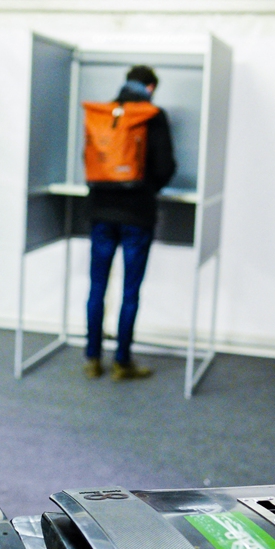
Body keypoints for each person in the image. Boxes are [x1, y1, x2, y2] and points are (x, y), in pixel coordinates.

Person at [84, 65, 176, 380]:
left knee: (97, 286)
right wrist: (147, 187)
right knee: (130, 290)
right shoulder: (152, 115)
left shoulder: (103, 113)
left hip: (100, 212)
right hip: (138, 214)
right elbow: (166, 167)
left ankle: (93, 359)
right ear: (150, 87)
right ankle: (122, 362)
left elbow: (90, 159)